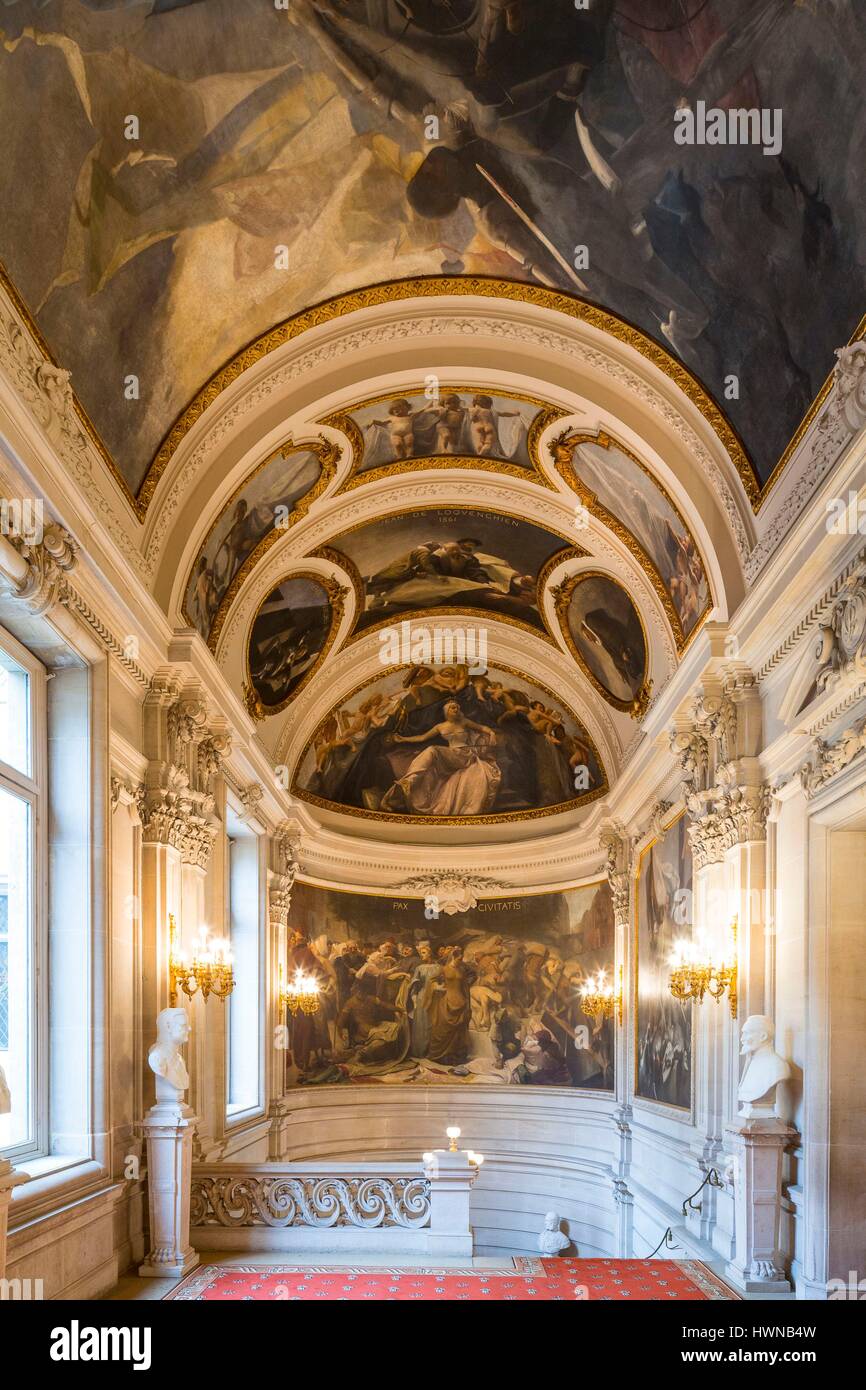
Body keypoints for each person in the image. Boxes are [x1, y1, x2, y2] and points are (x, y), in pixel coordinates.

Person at [380, 700, 502, 816]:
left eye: (457, 707)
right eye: (452, 707)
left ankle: (410, 780)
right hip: (450, 755)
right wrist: (403, 739)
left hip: (465, 755)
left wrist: (491, 734)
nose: (456, 709)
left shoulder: (464, 721)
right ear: (446, 711)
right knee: (430, 757)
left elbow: (482, 728)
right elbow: (422, 738)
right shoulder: (440, 727)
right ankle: (408, 782)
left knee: (433, 750)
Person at [424, 945, 476, 1065]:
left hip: (460, 1002)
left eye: (461, 959)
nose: (460, 961)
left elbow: (465, 986)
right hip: (446, 1002)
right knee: (442, 1029)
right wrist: (437, 987)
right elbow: (431, 981)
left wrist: (467, 1002)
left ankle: (455, 1056)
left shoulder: (461, 970)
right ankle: (441, 1056)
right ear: (453, 957)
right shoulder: (444, 969)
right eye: (459, 959)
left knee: (458, 1032)